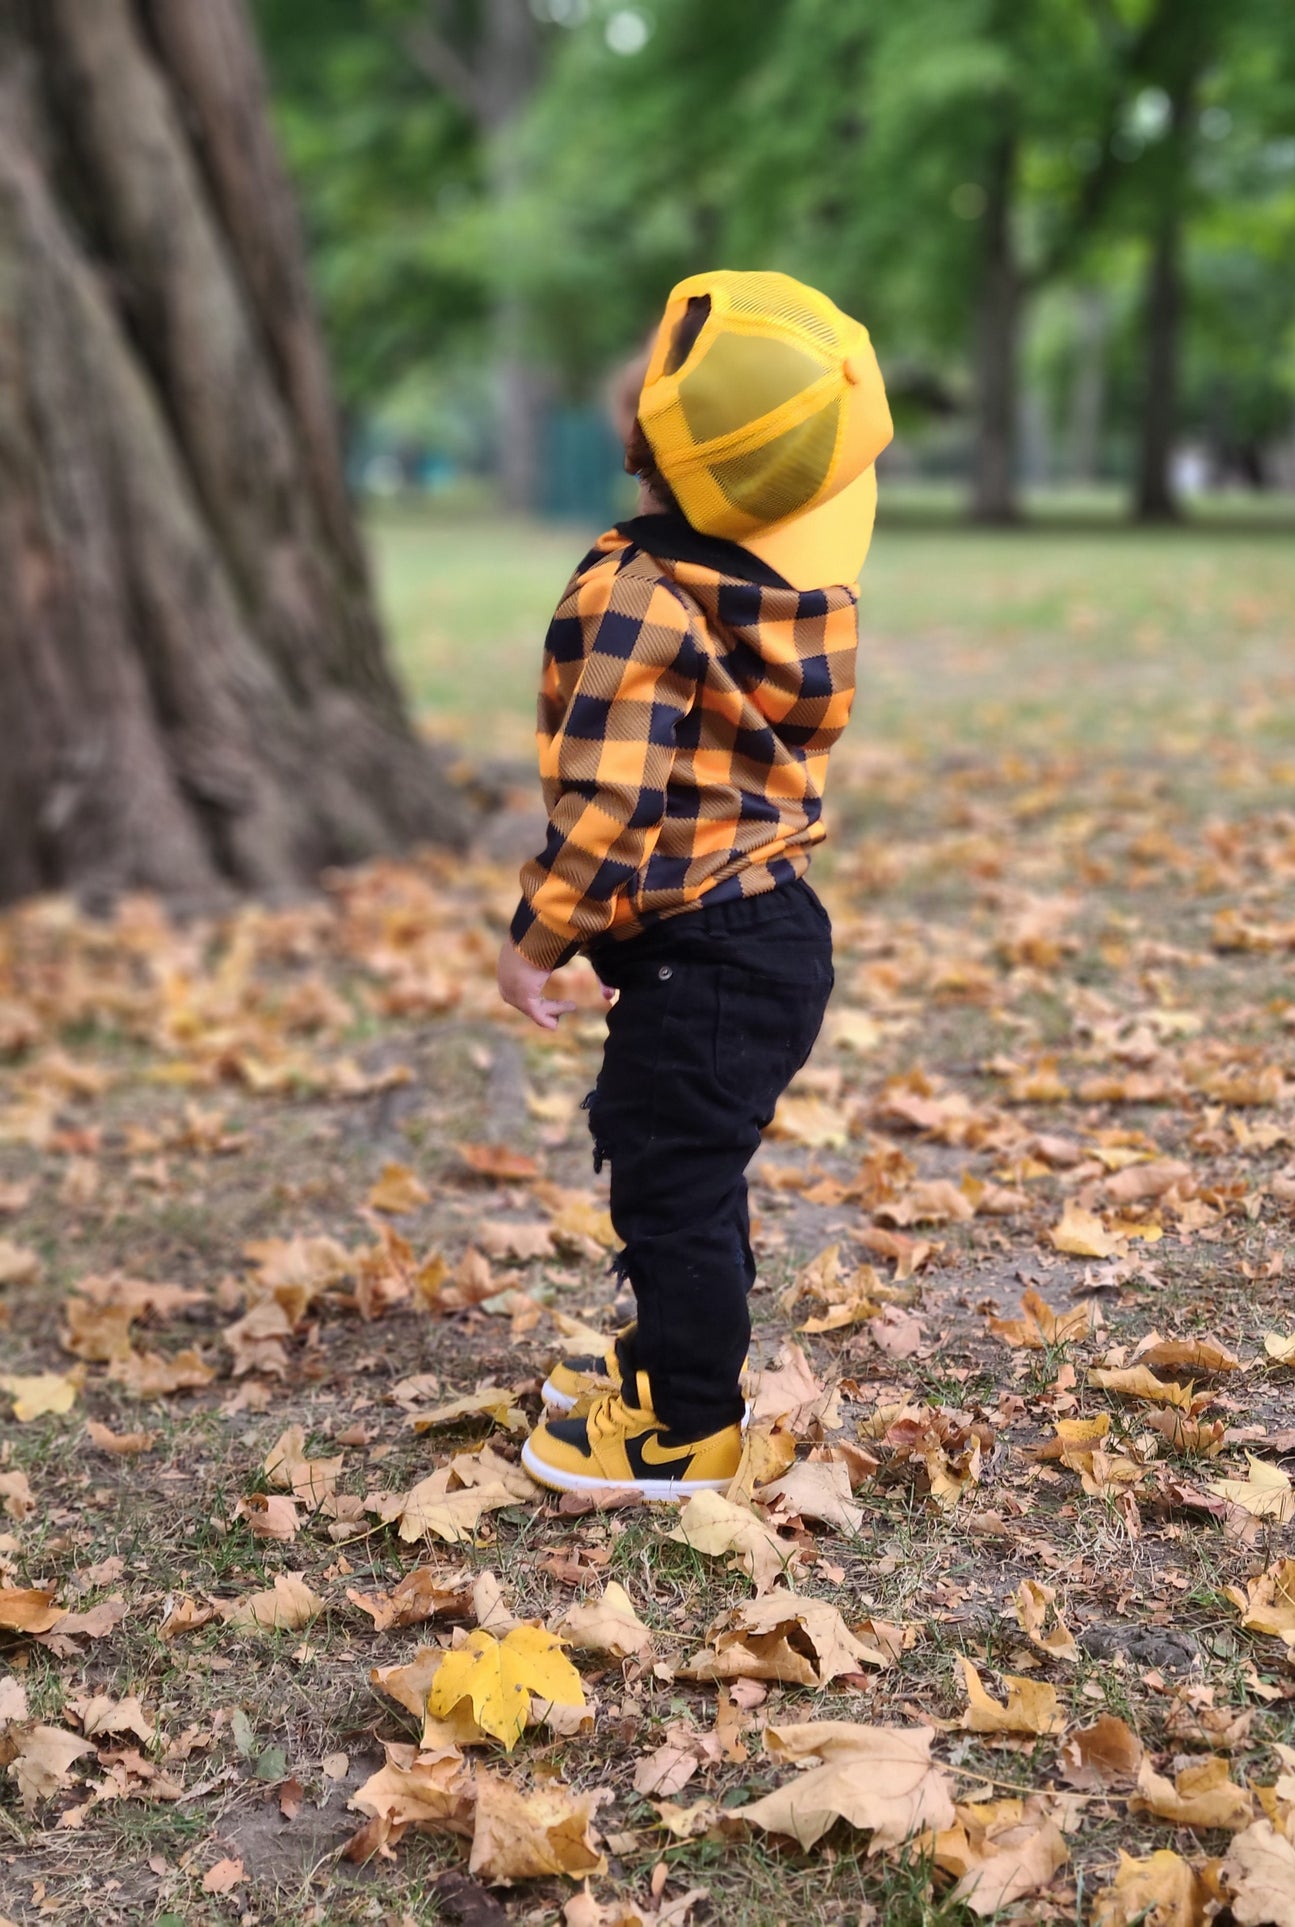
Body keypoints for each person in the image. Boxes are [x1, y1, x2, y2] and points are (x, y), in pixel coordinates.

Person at [496, 269, 892, 1498]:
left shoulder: (632, 592)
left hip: (705, 950)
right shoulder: (788, 592)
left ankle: (685, 1427)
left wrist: (537, 936)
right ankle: (663, 1361)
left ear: (635, 448)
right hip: (766, 932)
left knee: (670, 1178)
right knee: (678, 1164)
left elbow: (610, 799)